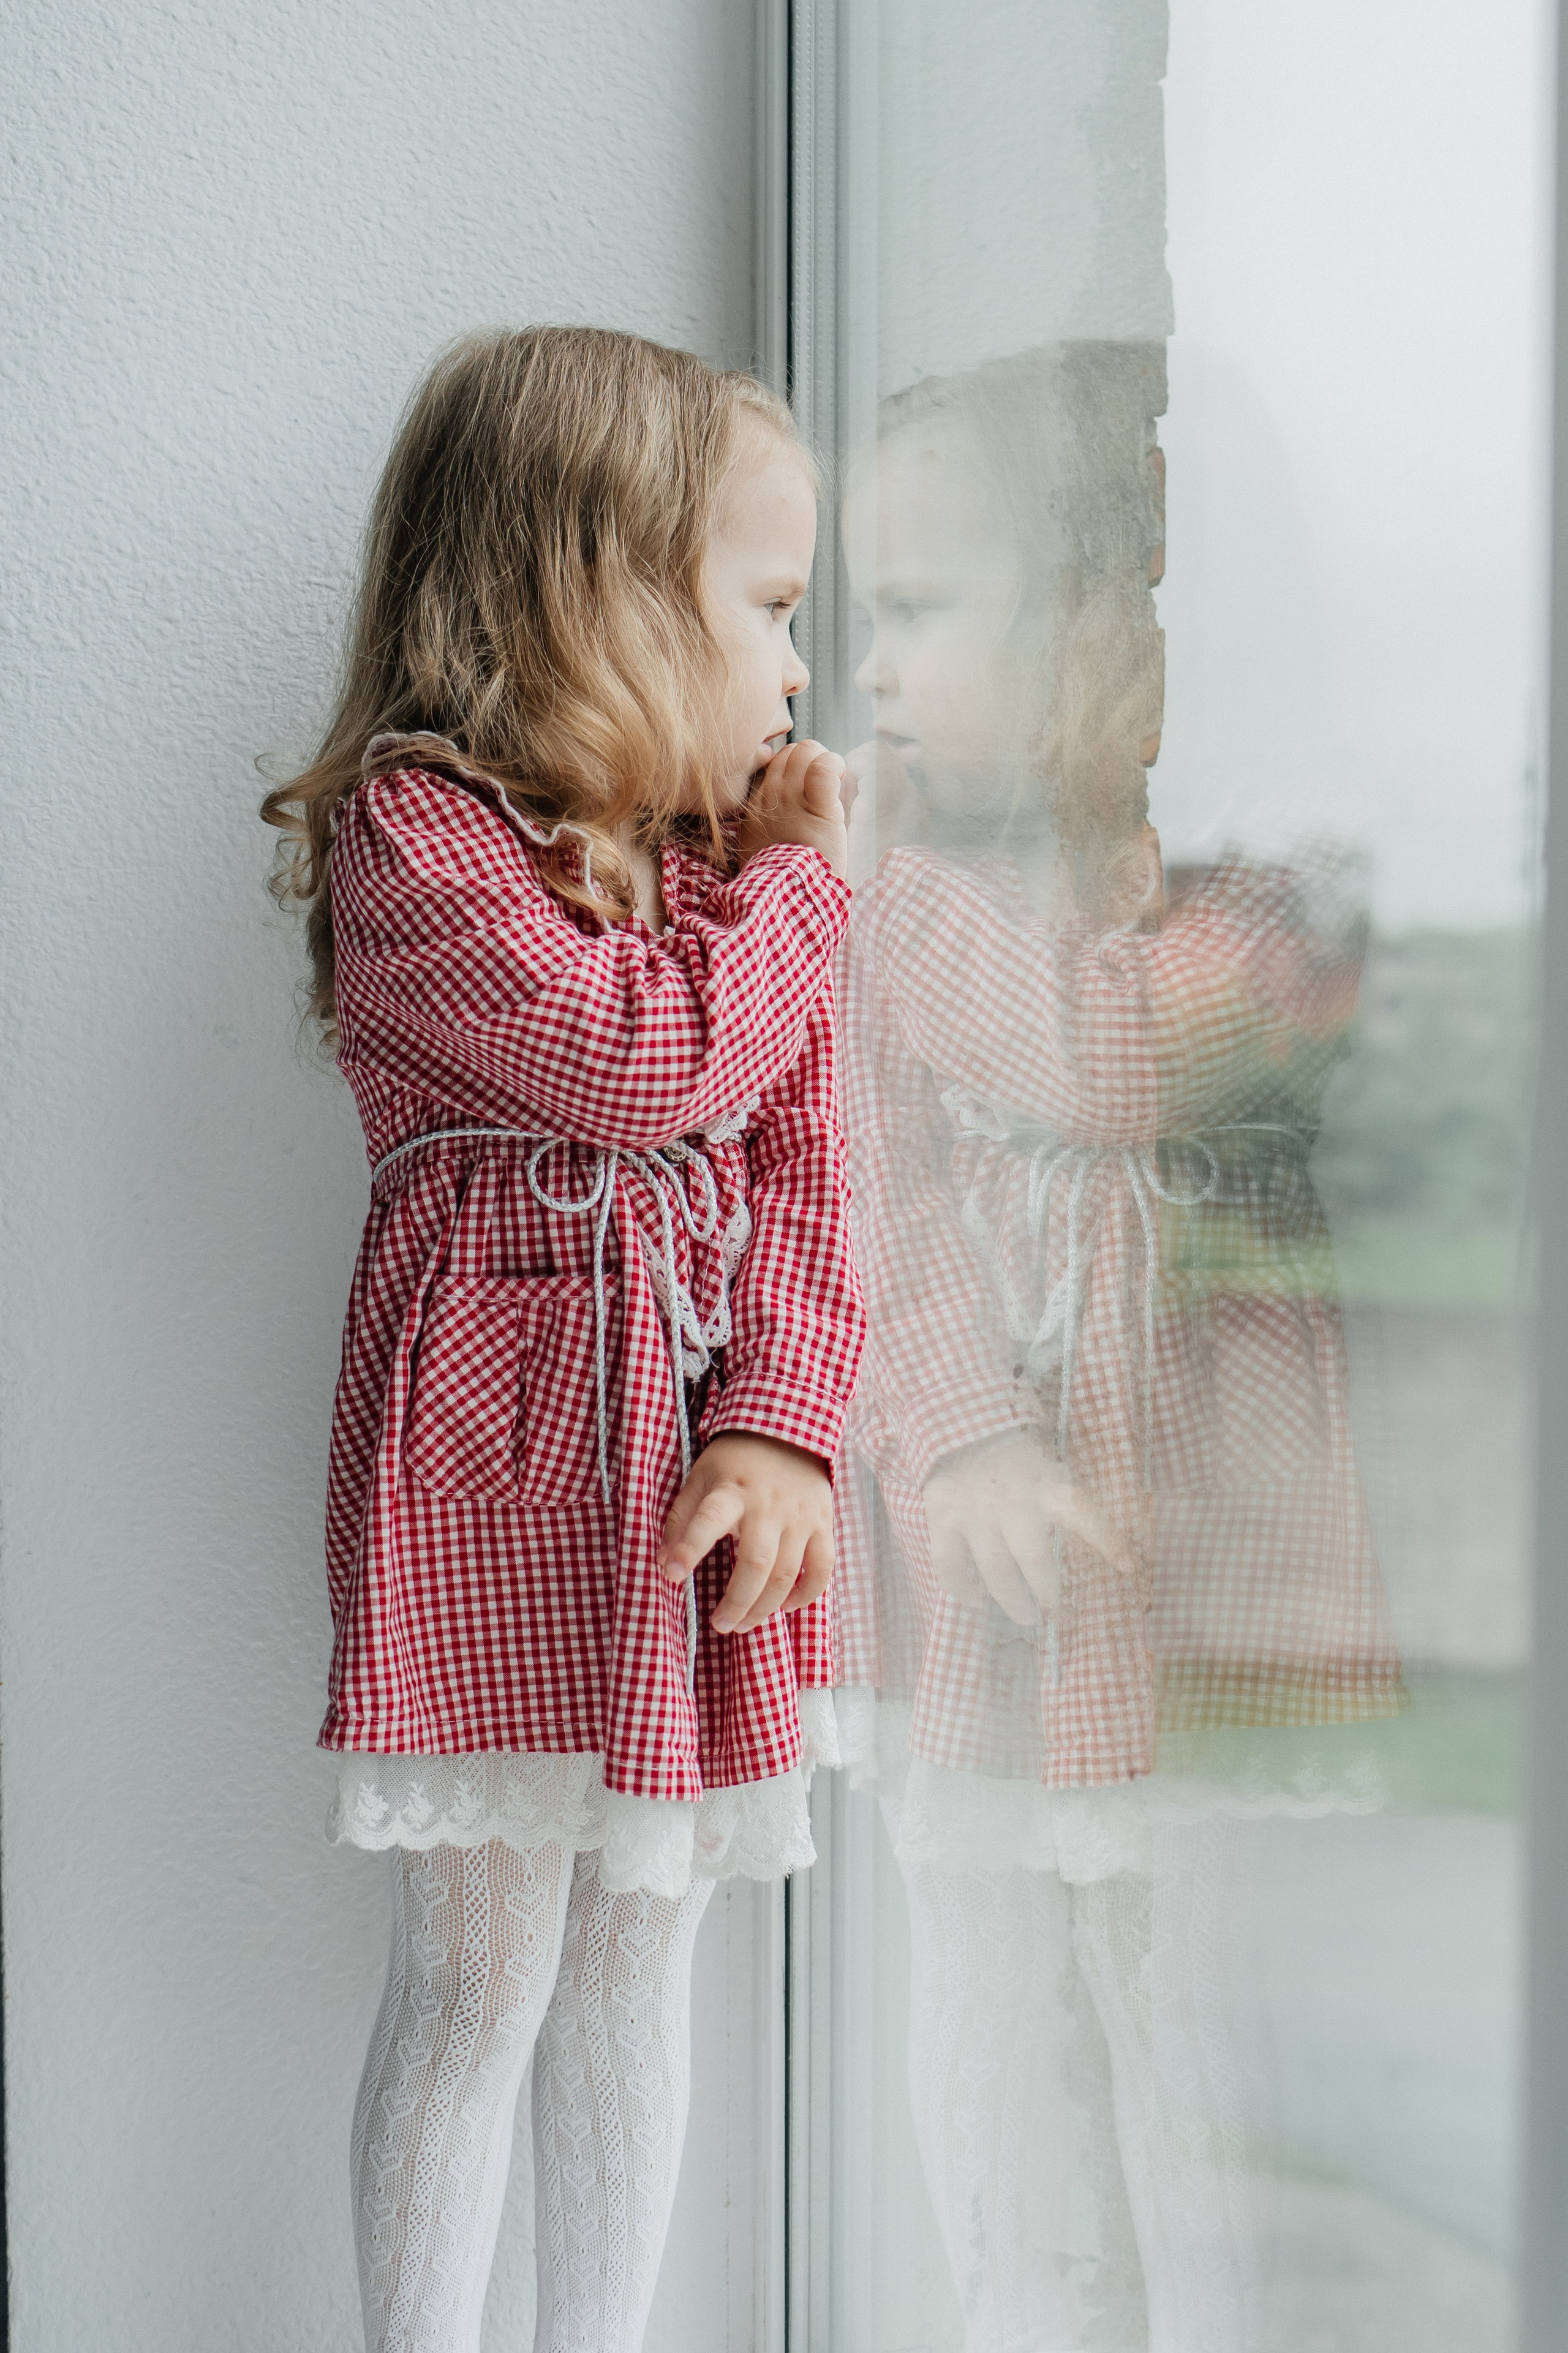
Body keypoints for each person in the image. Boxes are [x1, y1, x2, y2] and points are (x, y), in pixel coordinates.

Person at [262, 326, 865, 2353]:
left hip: (684, 1484)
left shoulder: (721, 882)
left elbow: (803, 1170)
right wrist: (794, 895)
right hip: (494, 1484)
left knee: (644, 1948)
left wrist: (783, 1422)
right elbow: (632, 1062)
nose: (801, 672)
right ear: (596, 596)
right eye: (771, 610)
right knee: (485, 1971)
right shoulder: (416, 851)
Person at [834, 344, 1403, 2351]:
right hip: (985, 1569)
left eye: (912, 611)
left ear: (1102, 622)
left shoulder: (1287, 859)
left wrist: (877, 903)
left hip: (1186, 1559)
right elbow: (861, 1192)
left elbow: (1116, 1053)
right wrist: (961, 1429)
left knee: (1188, 2012)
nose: (865, 669)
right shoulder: (913, 856)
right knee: (982, 2006)